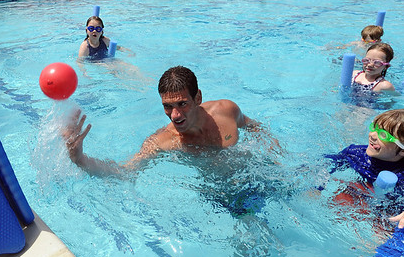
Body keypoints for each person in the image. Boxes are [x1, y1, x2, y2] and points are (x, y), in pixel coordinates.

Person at [64, 65, 261, 177]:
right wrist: (80, 159)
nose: (175, 115)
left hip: (257, 174)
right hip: (222, 195)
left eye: (182, 104)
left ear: (198, 98)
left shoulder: (227, 110)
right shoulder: (164, 140)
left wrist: (273, 152)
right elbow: (125, 172)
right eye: (167, 106)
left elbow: (253, 127)